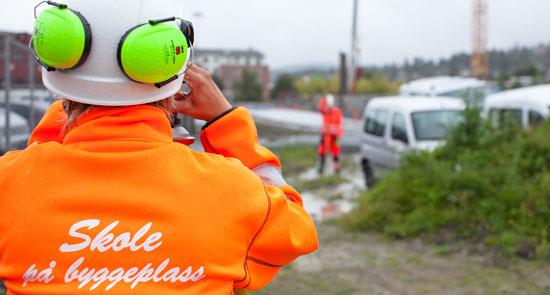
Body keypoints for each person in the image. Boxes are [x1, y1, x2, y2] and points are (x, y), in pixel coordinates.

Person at [0, 0, 318, 294]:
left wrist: (70, 113)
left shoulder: (10, 184)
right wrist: (226, 122)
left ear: (55, 52)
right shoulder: (230, 191)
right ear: (172, 65)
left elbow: (32, 170)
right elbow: (297, 231)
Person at [318, 94, 344, 175]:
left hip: (334, 135)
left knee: (335, 151)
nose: (326, 108)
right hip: (325, 134)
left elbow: (339, 124)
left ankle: (337, 167)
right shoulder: (325, 111)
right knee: (322, 150)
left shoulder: (336, 111)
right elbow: (320, 107)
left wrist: (334, 131)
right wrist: (324, 100)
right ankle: (321, 168)